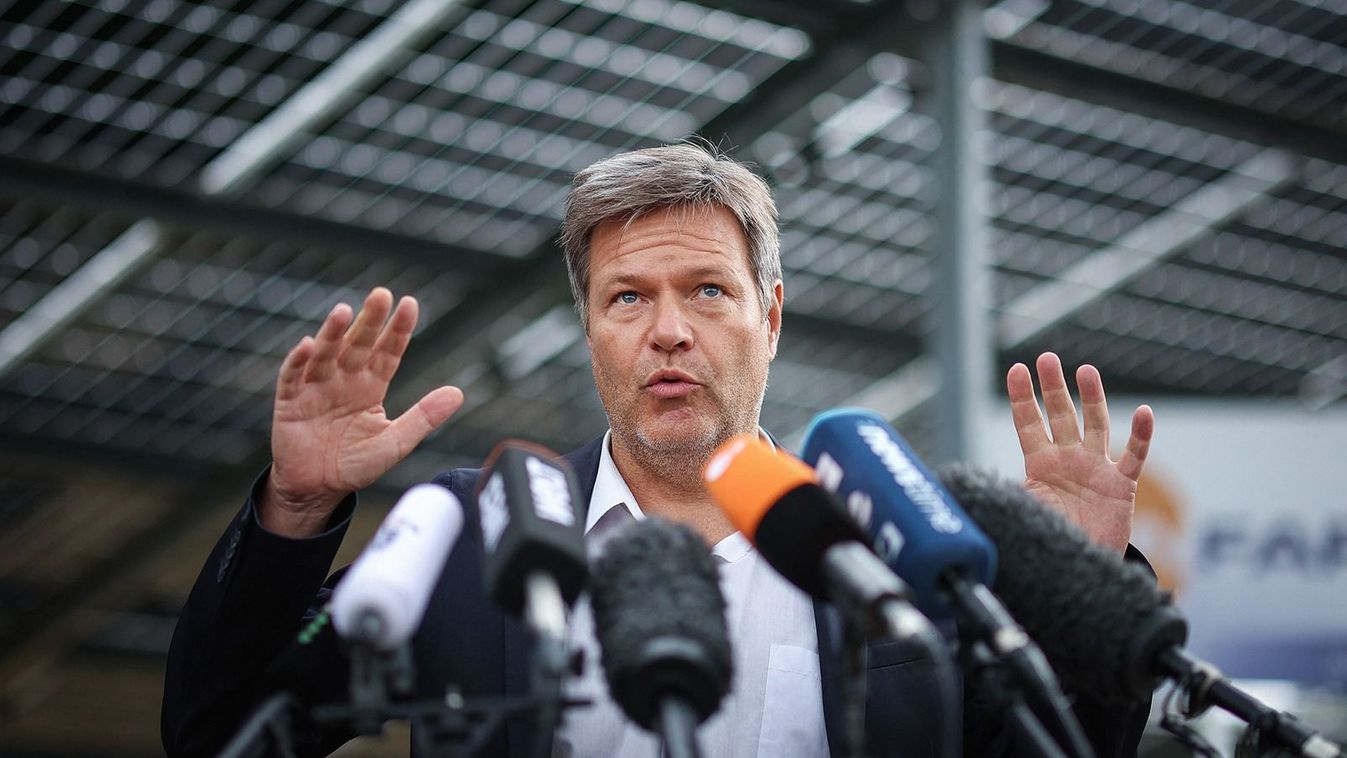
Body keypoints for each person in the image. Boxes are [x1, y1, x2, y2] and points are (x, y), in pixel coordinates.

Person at [162, 142, 1155, 757]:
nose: (668, 331)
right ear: (589, 328)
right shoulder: (477, 530)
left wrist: (1072, 603)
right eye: (627, 297)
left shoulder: (892, 550)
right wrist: (293, 509)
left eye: (708, 291)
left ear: (769, 316)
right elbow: (219, 728)